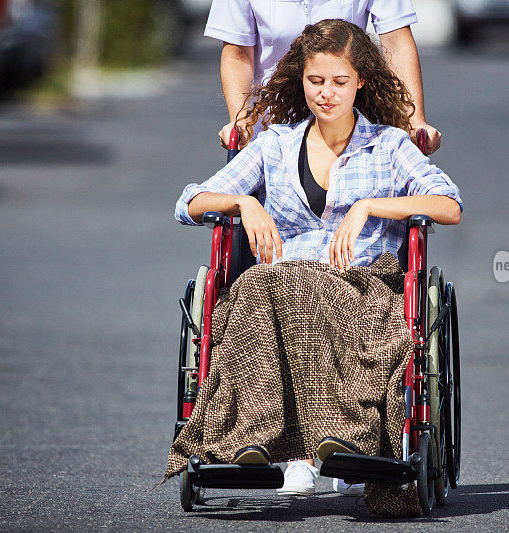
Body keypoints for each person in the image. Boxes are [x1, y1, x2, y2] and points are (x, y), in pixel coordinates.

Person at [168, 20, 461, 509]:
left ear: (362, 81)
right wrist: (244, 203)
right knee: (257, 284)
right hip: (281, 282)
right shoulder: (276, 145)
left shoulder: (389, 145)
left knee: (280, 285)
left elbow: (448, 205)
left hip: (362, 287)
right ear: (299, 80)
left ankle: (339, 434)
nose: (326, 94)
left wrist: (371, 207)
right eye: (315, 81)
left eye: (339, 82)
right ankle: (252, 440)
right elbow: (190, 201)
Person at [204, 0, 442, 154]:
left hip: (347, 113)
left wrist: (414, 120)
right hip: (272, 117)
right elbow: (237, 53)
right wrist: (243, 119)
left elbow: (397, 42)